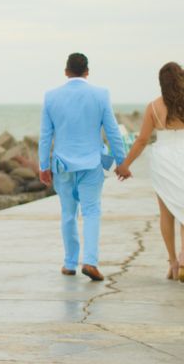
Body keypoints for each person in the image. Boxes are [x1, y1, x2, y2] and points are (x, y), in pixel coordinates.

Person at [39, 53, 126, 281]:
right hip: (91, 165)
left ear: (66, 71)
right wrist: (122, 161)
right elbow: (113, 131)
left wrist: (43, 166)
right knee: (91, 212)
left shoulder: (51, 97)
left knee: (68, 214)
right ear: (87, 71)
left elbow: (45, 136)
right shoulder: (100, 95)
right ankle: (90, 262)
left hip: (62, 165)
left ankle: (69, 263)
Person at [115, 62, 184, 281]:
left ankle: (173, 263)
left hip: (163, 158)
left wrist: (125, 165)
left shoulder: (153, 107)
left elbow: (142, 140)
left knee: (167, 213)